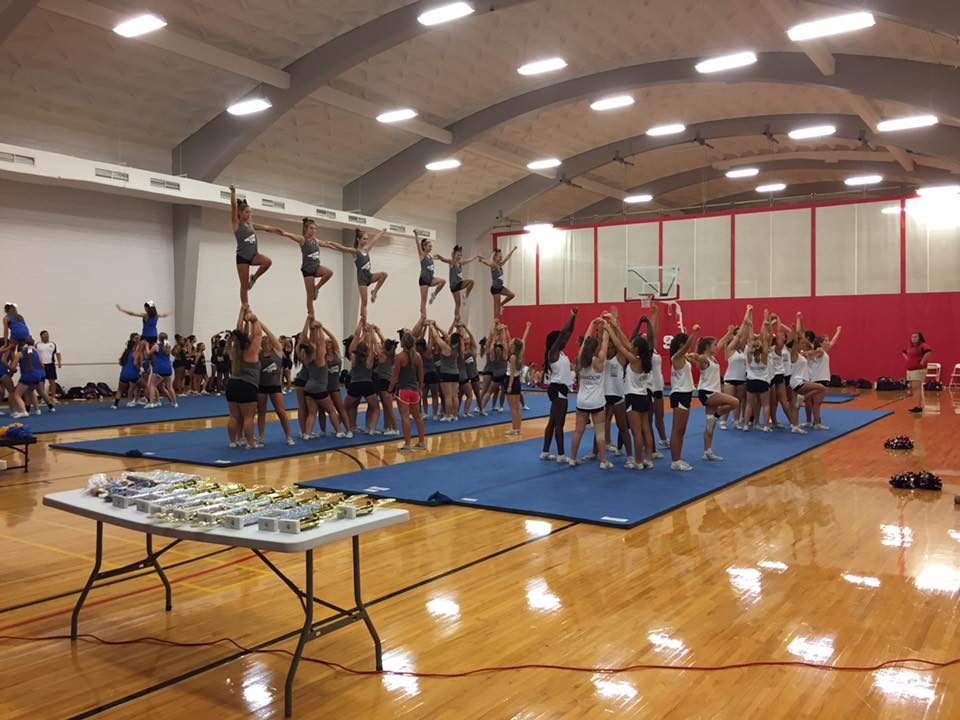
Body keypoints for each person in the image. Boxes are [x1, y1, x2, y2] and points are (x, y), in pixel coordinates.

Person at [605, 314, 652, 469]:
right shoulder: (645, 359)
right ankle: (648, 459)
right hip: (644, 397)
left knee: (636, 432)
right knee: (646, 430)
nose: (630, 345)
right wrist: (616, 326)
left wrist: (609, 329)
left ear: (636, 348)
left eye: (633, 345)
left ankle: (638, 461)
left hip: (633, 398)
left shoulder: (634, 360)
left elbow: (620, 345)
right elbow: (625, 341)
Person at [688, 331, 741, 461]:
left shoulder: (713, 358)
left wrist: (729, 333)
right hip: (707, 392)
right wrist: (694, 356)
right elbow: (699, 358)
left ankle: (707, 451)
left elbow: (722, 341)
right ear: (707, 347)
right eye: (714, 345)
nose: (717, 346)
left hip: (712, 392)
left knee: (710, 424)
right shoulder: (705, 359)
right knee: (735, 402)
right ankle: (717, 415)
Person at [266, 218, 335, 313]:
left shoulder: (316, 240)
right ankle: (311, 316)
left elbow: (327, 244)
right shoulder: (302, 239)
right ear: (306, 229)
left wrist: (340, 248)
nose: (313, 230)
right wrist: (279, 231)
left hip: (316, 267)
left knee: (329, 272)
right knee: (310, 296)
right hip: (308, 270)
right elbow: (288, 234)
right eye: (311, 228)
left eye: (315, 228)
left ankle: (317, 287)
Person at [568, 320, 612, 469]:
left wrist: (591, 323)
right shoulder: (599, 361)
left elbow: (586, 341)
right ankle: (603, 461)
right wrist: (606, 325)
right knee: (600, 432)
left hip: (582, 401)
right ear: (596, 349)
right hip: (597, 402)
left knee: (578, 431)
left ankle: (572, 458)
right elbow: (605, 342)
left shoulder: (580, 359)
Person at [324, 228, 389, 322]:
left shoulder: (366, 250)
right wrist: (330, 243)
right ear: (358, 239)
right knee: (364, 302)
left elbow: (375, 239)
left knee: (384, 275)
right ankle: (363, 320)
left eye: (367, 239)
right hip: (362, 279)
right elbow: (342, 248)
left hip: (369, 276)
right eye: (364, 239)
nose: (366, 241)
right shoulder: (355, 252)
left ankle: (374, 291)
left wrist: (382, 231)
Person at [540, 308, 578, 463]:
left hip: (559, 389)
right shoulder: (553, 353)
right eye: (561, 340)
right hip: (557, 390)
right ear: (555, 342)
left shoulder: (561, 353)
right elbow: (563, 333)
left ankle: (545, 452)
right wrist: (571, 314)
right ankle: (561, 455)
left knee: (552, 422)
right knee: (559, 424)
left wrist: (574, 318)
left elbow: (569, 332)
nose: (564, 341)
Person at [230, 185, 278, 305]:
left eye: (250, 212)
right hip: (242, 258)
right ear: (240, 213)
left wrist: (280, 231)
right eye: (247, 212)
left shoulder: (251, 225)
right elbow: (234, 207)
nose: (249, 214)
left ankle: (254, 278)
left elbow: (266, 228)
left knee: (267, 262)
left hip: (254, 255)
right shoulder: (236, 224)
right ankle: (246, 307)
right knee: (244, 285)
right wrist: (233, 192)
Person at [225, 305, 262, 448]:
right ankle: (250, 443)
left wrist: (242, 311)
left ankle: (233, 441)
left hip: (232, 384)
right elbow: (258, 334)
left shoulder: (235, 350)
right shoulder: (251, 351)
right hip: (247, 385)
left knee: (234, 416)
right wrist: (254, 320)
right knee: (248, 417)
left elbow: (238, 331)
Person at [256, 322, 295, 446]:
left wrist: (259, 324)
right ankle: (261, 437)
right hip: (261, 386)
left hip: (275, 386)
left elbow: (270, 335)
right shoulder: (258, 353)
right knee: (261, 412)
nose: (265, 338)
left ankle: (288, 436)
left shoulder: (277, 351)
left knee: (281, 411)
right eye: (263, 338)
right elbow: (255, 337)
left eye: (267, 338)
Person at [668, 323, 701, 470]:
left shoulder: (684, 358)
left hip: (685, 394)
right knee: (677, 429)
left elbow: (691, 352)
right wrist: (693, 333)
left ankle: (678, 458)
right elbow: (687, 346)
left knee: (681, 430)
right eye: (686, 343)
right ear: (681, 345)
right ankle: (675, 461)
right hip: (680, 394)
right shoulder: (676, 357)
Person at [389, 332, 426, 452]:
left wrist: (389, 390)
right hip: (414, 391)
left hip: (403, 391)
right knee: (417, 417)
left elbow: (395, 377)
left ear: (403, 343)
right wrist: (420, 389)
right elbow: (421, 375)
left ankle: (407, 444)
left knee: (405, 418)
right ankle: (422, 442)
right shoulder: (418, 356)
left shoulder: (399, 357)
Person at [344, 322, 381, 434]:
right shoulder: (369, 358)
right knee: (376, 408)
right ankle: (372, 429)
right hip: (367, 385)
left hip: (354, 385)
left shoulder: (353, 357)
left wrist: (362, 325)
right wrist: (371, 332)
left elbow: (356, 339)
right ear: (367, 351)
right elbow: (371, 345)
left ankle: (345, 428)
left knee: (344, 408)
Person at [721, 307, 752, 429]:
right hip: (730, 379)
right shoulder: (730, 349)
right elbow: (739, 335)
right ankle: (723, 420)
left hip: (741, 379)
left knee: (738, 401)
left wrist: (749, 317)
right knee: (729, 401)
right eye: (736, 338)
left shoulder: (742, 349)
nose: (739, 339)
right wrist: (747, 312)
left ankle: (736, 421)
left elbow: (745, 335)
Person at [744, 310, 773, 432]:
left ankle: (746, 425)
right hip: (762, 381)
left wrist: (750, 325)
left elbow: (750, 339)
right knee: (766, 404)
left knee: (749, 404)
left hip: (751, 381)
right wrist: (765, 321)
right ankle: (765, 426)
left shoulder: (749, 354)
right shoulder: (764, 355)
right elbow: (765, 339)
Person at [435, 245, 479, 323]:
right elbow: (444, 260)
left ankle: (465, 296)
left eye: (460, 255)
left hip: (459, 283)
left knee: (471, 282)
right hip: (454, 286)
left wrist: (474, 258)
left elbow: (467, 261)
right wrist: (439, 256)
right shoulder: (452, 262)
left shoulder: (460, 263)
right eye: (458, 255)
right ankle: (456, 318)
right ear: (454, 255)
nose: (459, 257)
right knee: (458, 304)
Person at [9, 339, 50, 418]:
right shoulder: (36, 352)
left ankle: (24, 411)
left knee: (17, 394)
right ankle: (37, 410)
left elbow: (13, 367)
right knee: (31, 391)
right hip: (38, 376)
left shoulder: (19, 354)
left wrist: (10, 368)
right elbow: (42, 365)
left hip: (28, 376)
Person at [431, 322, 462, 422]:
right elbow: (446, 335)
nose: (447, 336)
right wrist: (437, 326)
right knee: (455, 395)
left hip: (446, 373)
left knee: (448, 396)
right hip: (455, 372)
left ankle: (448, 415)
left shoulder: (446, 347)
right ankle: (455, 415)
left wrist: (431, 327)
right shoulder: (456, 346)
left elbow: (436, 337)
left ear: (450, 339)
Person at [413, 230, 446, 318]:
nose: (431, 248)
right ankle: (423, 317)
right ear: (424, 247)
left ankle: (434, 294)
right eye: (429, 246)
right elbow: (418, 245)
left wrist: (443, 258)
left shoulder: (430, 256)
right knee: (423, 301)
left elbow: (440, 258)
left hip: (431, 279)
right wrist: (416, 235)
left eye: (431, 246)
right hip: (424, 280)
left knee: (443, 281)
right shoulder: (422, 255)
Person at [477, 247, 517, 318]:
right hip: (495, 289)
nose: (501, 258)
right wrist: (482, 261)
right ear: (495, 257)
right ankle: (495, 322)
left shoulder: (500, 265)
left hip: (500, 287)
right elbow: (488, 263)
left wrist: (513, 250)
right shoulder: (494, 265)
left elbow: (507, 257)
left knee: (512, 295)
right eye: (499, 256)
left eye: (501, 256)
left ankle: (501, 304)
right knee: (497, 309)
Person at [902, 330, 932, 414]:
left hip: (918, 370)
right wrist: (908, 359)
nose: (913, 338)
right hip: (910, 370)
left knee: (916, 388)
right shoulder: (910, 347)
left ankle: (918, 407)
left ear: (919, 338)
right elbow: (903, 352)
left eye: (915, 337)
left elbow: (929, 352)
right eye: (912, 337)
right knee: (914, 388)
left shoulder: (923, 345)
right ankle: (917, 405)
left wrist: (923, 361)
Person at [112, 335, 144, 409]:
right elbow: (135, 364)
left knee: (120, 390)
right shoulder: (135, 353)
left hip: (124, 374)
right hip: (133, 374)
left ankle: (115, 405)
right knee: (145, 386)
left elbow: (121, 363)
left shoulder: (125, 353)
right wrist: (140, 368)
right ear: (134, 346)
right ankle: (151, 401)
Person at [148, 333, 178, 408]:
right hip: (168, 368)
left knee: (152, 385)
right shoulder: (168, 346)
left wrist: (146, 348)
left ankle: (151, 403)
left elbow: (149, 354)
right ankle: (175, 403)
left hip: (159, 368)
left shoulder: (156, 346)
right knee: (169, 387)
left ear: (159, 338)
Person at [36, 330, 62, 403]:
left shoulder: (52, 344)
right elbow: (34, 354)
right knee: (41, 382)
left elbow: (58, 353)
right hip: (41, 366)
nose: (46, 336)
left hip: (50, 365)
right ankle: (43, 398)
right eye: (44, 335)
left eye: (47, 335)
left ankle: (53, 397)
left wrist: (59, 362)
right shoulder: (37, 345)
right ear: (41, 336)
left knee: (52, 381)